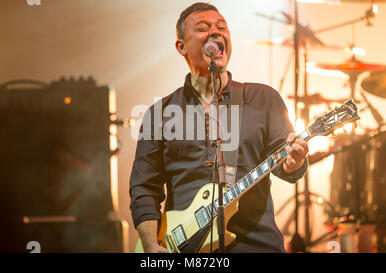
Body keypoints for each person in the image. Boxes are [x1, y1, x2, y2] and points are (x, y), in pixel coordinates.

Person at [129, 2, 309, 253]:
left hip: (255, 245)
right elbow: (144, 188)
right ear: (181, 47)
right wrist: (150, 245)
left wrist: (295, 162)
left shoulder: (263, 100)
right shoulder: (158, 114)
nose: (215, 32)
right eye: (203, 28)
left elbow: (286, 164)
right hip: (182, 247)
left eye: (221, 27)